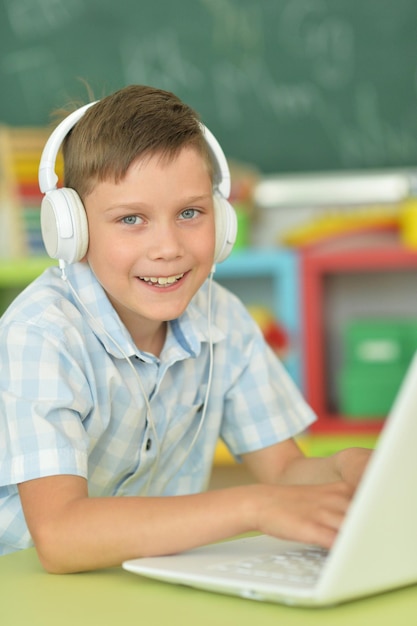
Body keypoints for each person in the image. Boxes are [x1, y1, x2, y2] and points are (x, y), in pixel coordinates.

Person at [0, 85, 370, 573]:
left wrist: (347, 466)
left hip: (141, 578)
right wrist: (252, 506)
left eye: (190, 213)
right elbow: (61, 534)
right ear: (72, 231)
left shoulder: (224, 320)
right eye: (132, 219)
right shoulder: (40, 334)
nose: (168, 247)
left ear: (222, 221)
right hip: (25, 587)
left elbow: (284, 471)